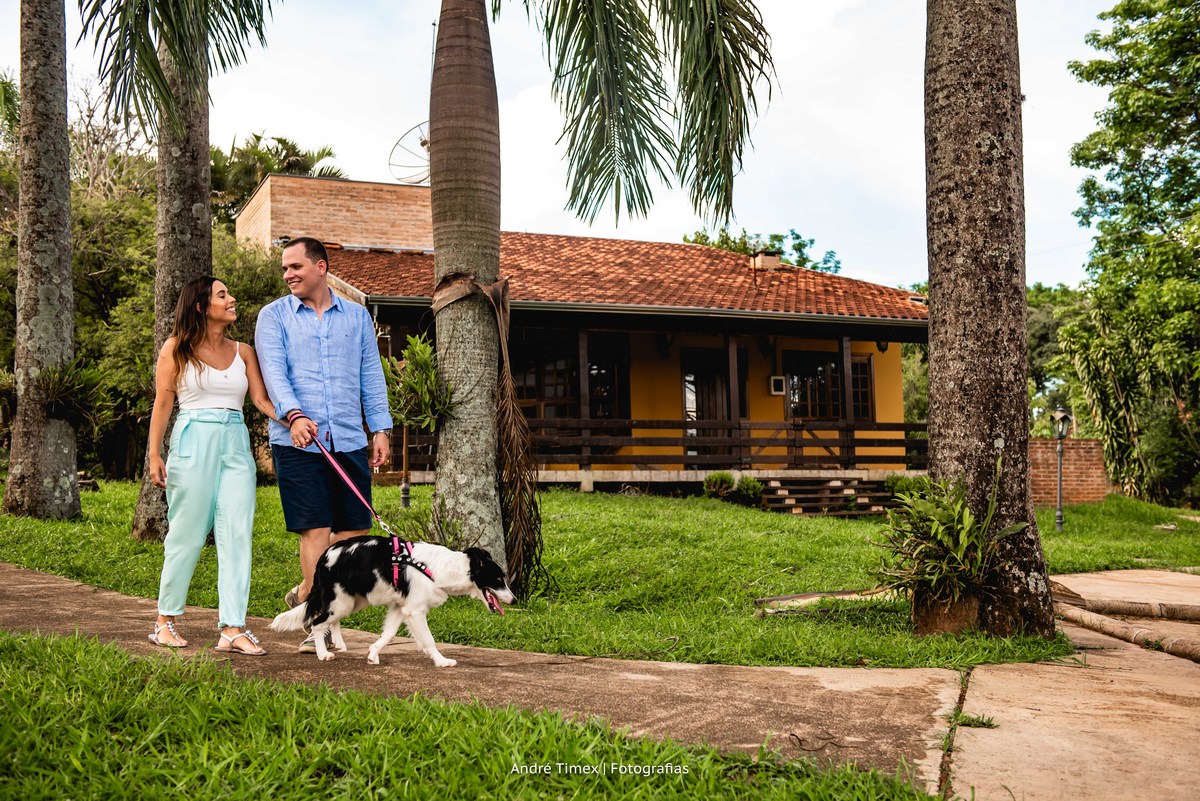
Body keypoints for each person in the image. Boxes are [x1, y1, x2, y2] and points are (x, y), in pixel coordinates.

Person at [254, 236, 393, 653]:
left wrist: (380, 428)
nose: (288, 274)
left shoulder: (356, 317)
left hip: (348, 435)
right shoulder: (273, 316)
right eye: (284, 268)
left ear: (320, 267)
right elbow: (274, 373)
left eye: (295, 266)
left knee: (355, 530)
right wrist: (293, 415)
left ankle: (306, 594)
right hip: (297, 441)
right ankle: (320, 619)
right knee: (314, 528)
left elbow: (371, 374)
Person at [146, 275, 278, 655]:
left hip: (235, 444)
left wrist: (293, 416)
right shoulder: (176, 348)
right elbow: (163, 403)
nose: (232, 299)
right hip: (193, 440)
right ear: (202, 307)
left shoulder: (244, 351)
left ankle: (233, 627)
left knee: (238, 532)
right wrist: (154, 454)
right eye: (223, 295)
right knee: (185, 534)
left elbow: (260, 400)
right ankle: (164, 621)